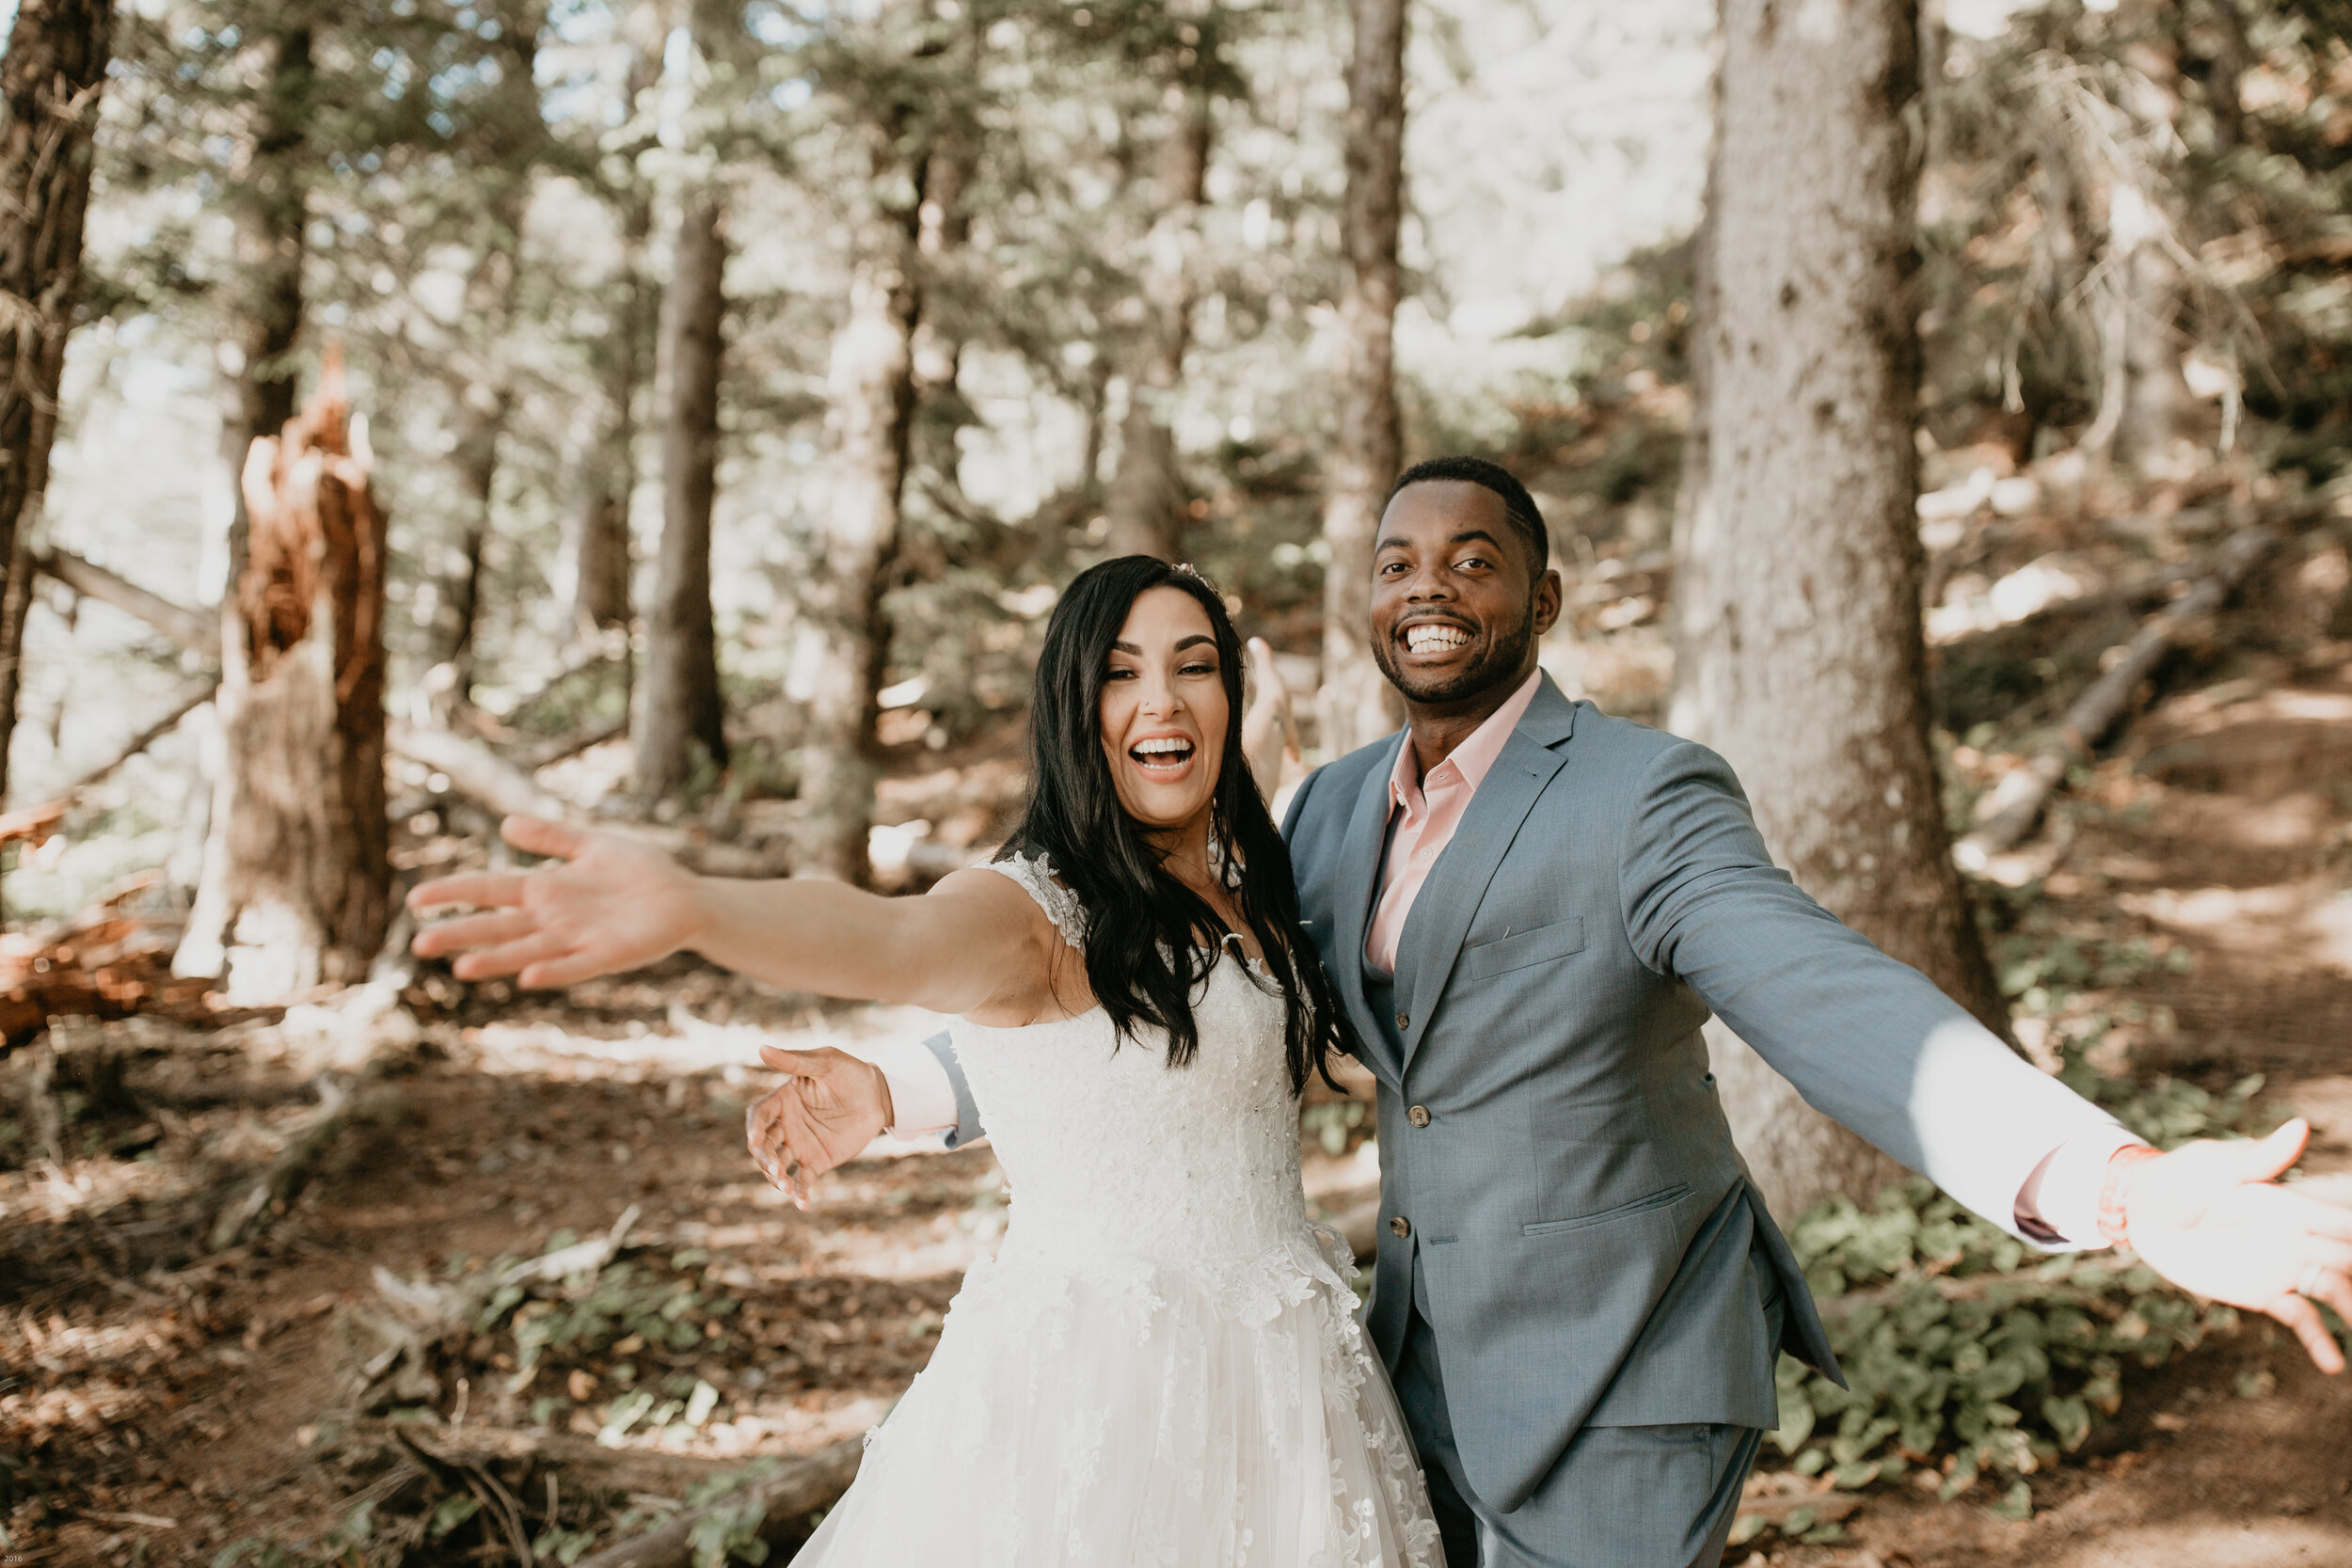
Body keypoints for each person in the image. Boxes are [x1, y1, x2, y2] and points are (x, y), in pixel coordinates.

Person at [752, 456, 2352, 1568]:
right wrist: (897, 1092)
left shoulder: (1649, 798)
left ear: (1545, 595)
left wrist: (2117, 1182)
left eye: (1474, 558)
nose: (1429, 586)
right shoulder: (1319, 812)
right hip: (1396, 1375)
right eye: (1397, 560)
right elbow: (1165, 1005)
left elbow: (1830, 996)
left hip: (1627, 1364)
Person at [406, 557, 1446, 1567]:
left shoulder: (1240, 882)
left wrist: (898, 1089)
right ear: (1069, 707)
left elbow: (1190, 1063)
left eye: (1192, 666)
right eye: (1120, 673)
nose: (1161, 701)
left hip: (1290, 1380)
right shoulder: (1029, 910)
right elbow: (885, 935)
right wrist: (698, 908)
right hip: (1108, 1398)